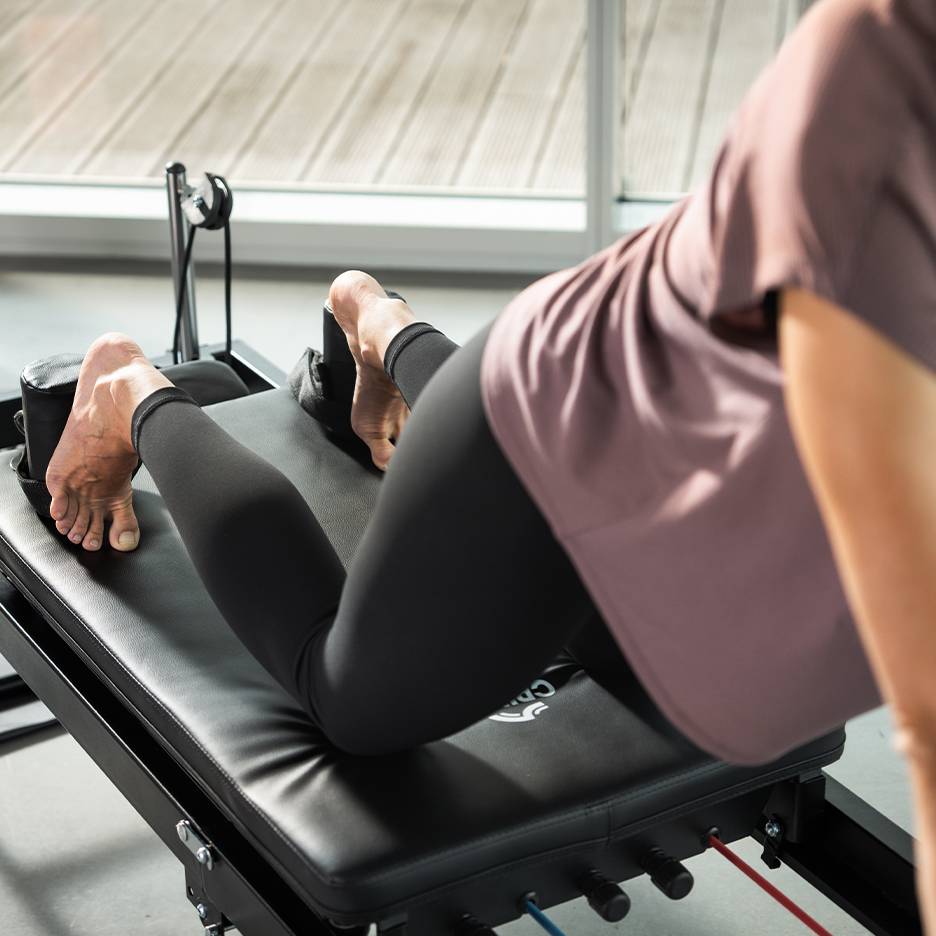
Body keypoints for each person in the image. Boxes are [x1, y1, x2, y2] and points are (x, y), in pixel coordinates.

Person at [39, 0, 936, 926]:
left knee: (654, 675)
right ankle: (132, 392)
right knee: (358, 703)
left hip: (673, 493)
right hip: (560, 429)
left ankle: (381, 326)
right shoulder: (885, 64)